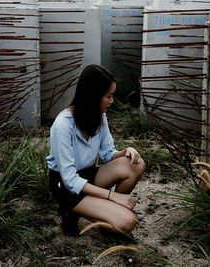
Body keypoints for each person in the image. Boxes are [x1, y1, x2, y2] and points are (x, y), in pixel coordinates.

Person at [46, 64, 145, 236]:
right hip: (64, 185)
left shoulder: (99, 116)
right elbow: (70, 180)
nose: (112, 101)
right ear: (93, 96)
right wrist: (112, 196)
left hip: (88, 174)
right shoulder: (63, 124)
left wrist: (125, 152)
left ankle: (106, 223)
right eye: (109, 96)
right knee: (128, 221)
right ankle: (71, 211)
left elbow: (108, 153)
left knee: (135, 164)